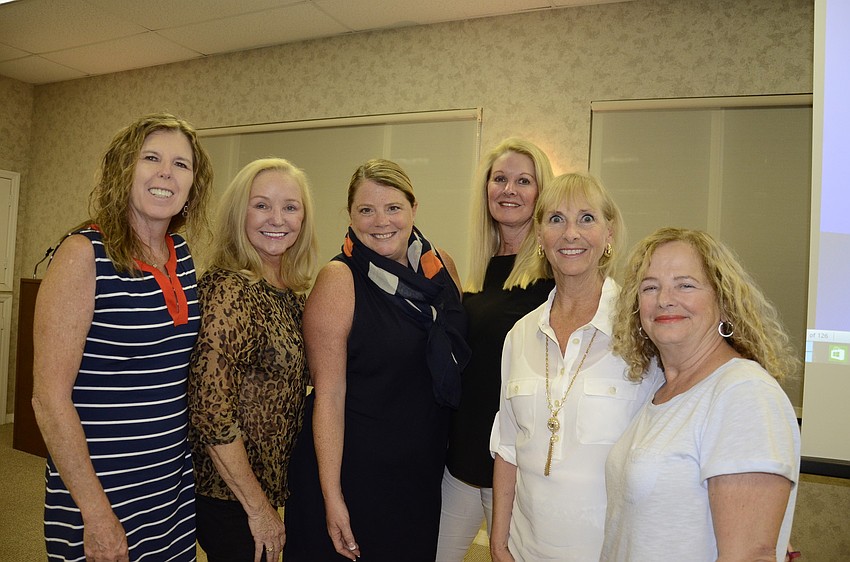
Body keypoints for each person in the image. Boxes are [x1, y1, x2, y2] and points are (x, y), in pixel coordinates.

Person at [31, 113, 213, 562]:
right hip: (100, 488)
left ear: (193, 183)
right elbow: (48, 400)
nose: (166, 172)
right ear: (123, 170)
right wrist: (95, 514)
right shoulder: (82, 254)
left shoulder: (182, 255)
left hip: (168, 484)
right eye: (150, 157)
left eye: (181, 164)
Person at [283, 159, 470, 561]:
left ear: (413, 209)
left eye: (393, 208)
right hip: (355, 474)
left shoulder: (442, 269)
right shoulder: (339, 280)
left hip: (419, 472)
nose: (380, 221)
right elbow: (328, 396)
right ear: (350, 215)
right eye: (366, 210)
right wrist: (332, 498)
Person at [489, 173, 661, 562]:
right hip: (524, 548)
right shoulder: (519, 335)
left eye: (586, 218)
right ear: (539, 235)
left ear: (609, 233)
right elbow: (507, 449)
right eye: (556, 219)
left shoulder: (641, 329)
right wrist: (499, 545)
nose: (571, 233)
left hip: (611, 551)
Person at [601, 227, 801, 561]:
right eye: (650, 287)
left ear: (723, 302)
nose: (665, 298)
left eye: (685, 284)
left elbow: (749, 555)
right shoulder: (661, 393)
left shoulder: (744, 393)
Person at [188, 158, 318, 562]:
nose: (277, 219)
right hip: (229, 495)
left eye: (290, 207)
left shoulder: (291, 291)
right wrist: (259, 509)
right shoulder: (229, 289)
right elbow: (210, 411)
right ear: (238, 213)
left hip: (269, 485)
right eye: (261, 205)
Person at [437, 138, 555, 560]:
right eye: (500, 179)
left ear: (542, 195)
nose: (509, 189)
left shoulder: (553, 280)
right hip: (462, 460)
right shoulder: (478, 272)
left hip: (515, 467)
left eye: (524, 181)